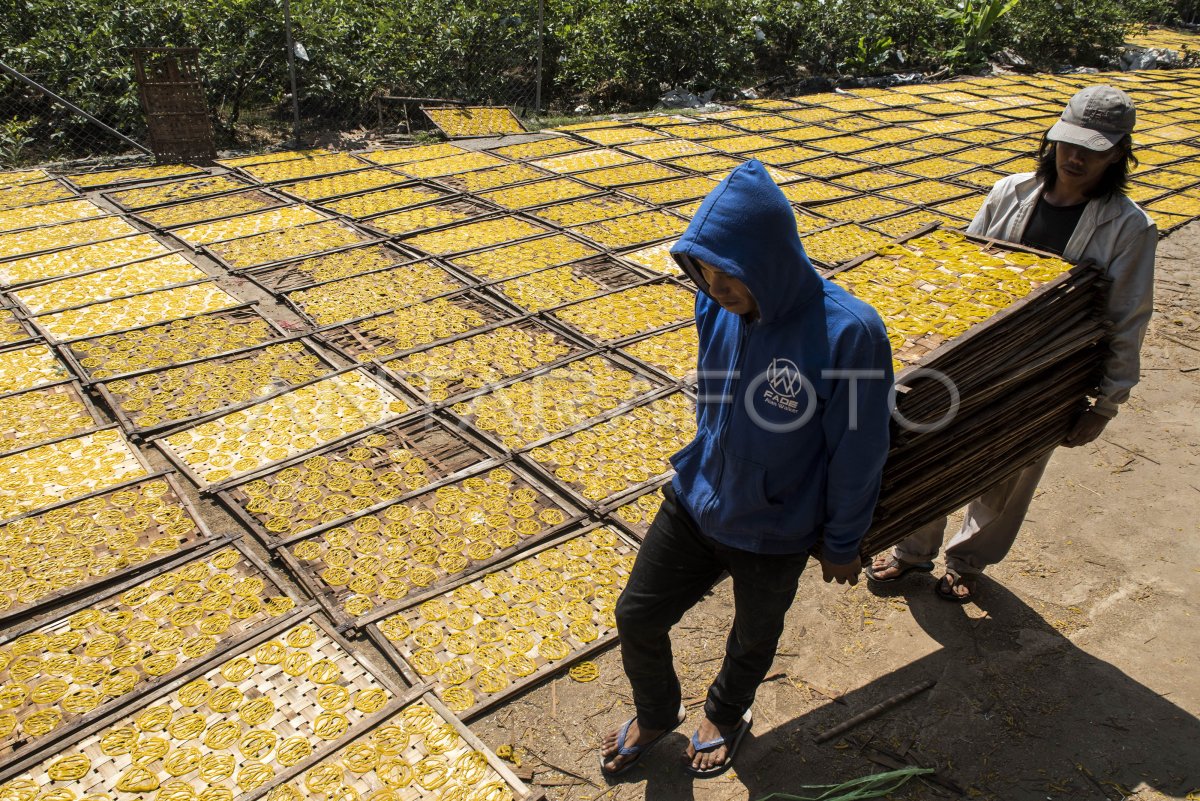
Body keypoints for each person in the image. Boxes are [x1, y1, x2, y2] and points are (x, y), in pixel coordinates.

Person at [599, 159, 894, 779]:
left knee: (753, 635)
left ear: (772, 258)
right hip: (700, 496)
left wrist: (843, 542)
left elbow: (859, 452)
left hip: (776, 522)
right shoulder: (718, 308)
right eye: (701, 272)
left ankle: (727, 712)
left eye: (727, 274)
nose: (713, 287)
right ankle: (658, 711)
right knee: (637, 614)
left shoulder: (850, 333)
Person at [866, 85, 1157, 602]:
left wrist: (1106, 404)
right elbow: (963, 269)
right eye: (1069, 143)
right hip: (975, 358)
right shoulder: (1010, 192)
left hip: (1052, 369)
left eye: (1094, 149)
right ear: (1052, 138)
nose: (1076, 157)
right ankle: (912, 551)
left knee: (1009, 467)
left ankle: (969, 560)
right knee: (934, 451)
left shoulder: (1129, 227)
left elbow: (1127, 317)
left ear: (1119, 153)